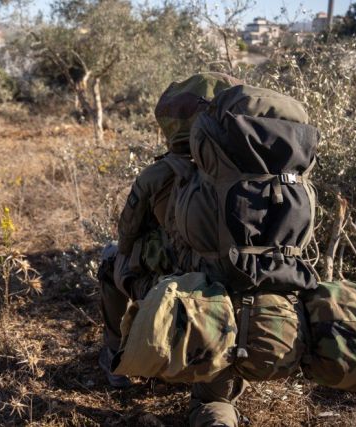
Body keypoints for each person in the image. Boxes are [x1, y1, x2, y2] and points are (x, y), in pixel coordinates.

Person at [96, 72, 246, 425]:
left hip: (188, 301)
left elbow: (126, 239)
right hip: (252, 306)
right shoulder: (268, 172)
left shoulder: (159, 175)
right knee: (214, 408)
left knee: (109, 262)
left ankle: (115, 358)